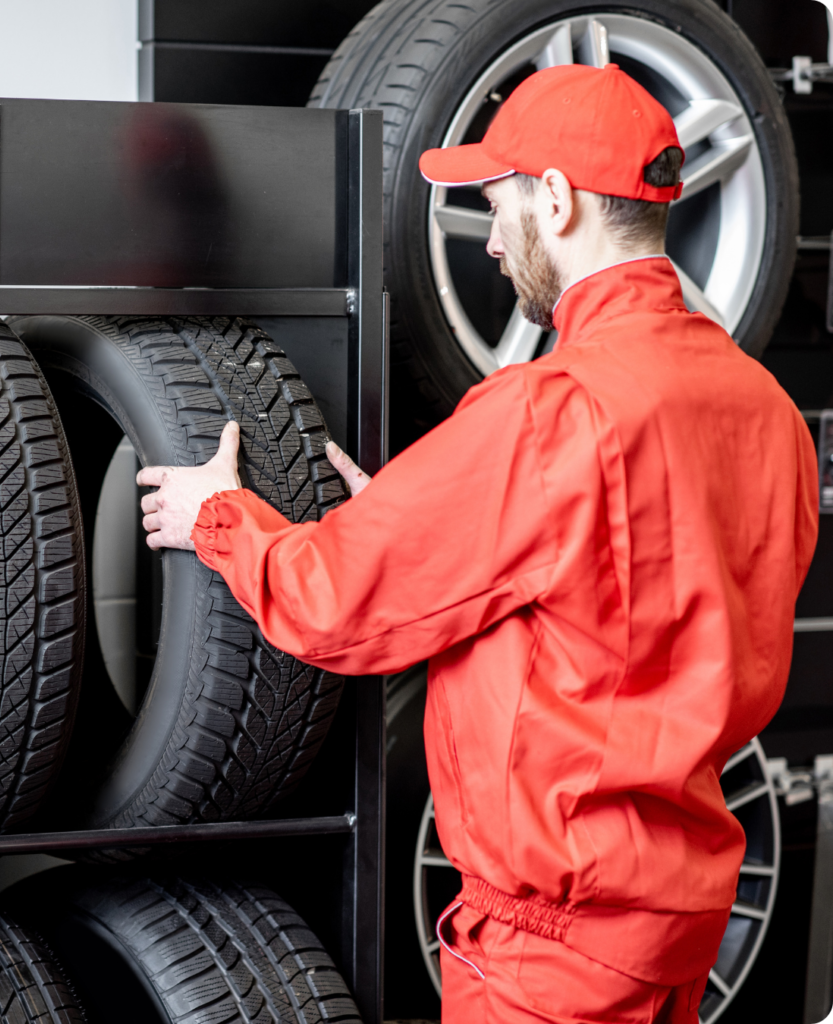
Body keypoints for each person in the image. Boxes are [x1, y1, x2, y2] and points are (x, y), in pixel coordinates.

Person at [136, 63, 817, 1024]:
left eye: (500, 205)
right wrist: (437, 527)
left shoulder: (550, 408)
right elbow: (640, 609)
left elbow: (330, 602)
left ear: (558, 199)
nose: (493, 240)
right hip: (677, 924)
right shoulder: (769, 411)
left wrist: (219, 515)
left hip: (555, 950)